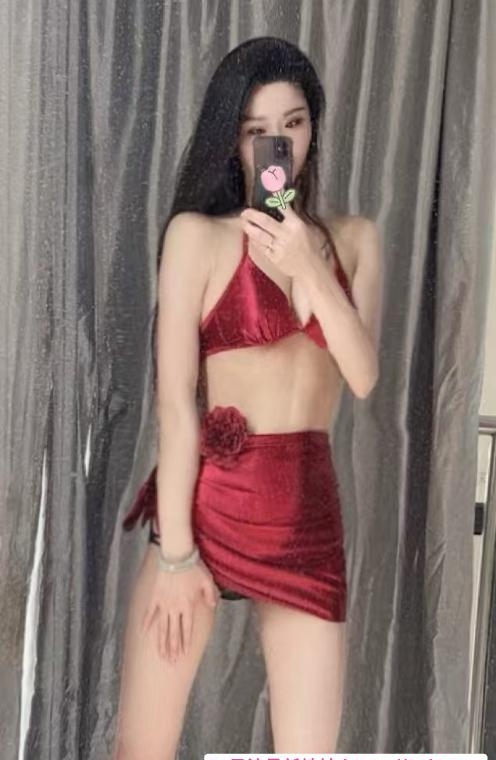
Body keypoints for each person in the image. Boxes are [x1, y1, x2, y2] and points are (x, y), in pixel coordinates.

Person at [113, 36, 383, 759]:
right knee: (140, 749)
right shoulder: (196, 237)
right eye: (255, 129)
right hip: (206, 508)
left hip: (304, 521)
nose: (277, 145)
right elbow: (176, 408)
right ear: (232, 140)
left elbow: (363, 376)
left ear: (314, 126)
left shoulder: (355, 240)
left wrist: (309, 266)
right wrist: (176, 557)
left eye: (293, 124)